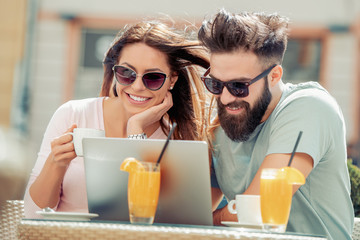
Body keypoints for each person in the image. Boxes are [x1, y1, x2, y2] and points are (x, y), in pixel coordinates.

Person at [24, 20, 209, 218]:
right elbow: (33, 214)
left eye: (153, 77)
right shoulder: (72, 114)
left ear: (172, 80)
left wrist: (135, 129)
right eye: (126, 73)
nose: (137, 86)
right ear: (115, 72)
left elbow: (148, 220)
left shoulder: (176, 140)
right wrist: (56, 164)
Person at [198, 9, 354, 240]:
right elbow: (195, 210)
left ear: (274, 76)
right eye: (216, 84)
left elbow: (260, 207)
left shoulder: (309, 107)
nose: (226, 98)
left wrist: (209, 221)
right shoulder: (222, 124)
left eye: (239, 86)